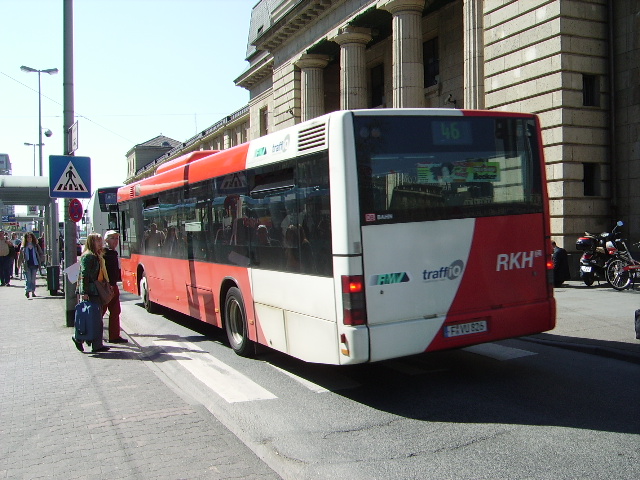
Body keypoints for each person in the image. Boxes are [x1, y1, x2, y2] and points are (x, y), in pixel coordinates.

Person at [72, 233, 110, 353]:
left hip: (96, 290)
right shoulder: (88, 256)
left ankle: (96, 344)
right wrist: (84, 292)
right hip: (91, 291)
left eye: (100, 241)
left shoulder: (96, 255)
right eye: (97, 241)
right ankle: (79, 338)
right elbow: (84, 275)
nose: (100, 243)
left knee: (96, 318)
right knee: (91, 318)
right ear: (91, 242)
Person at [102, 230, 127, 344]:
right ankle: (94, 336)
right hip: (107, 286)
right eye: (113, 238)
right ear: (106, 240)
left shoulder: (113, 253)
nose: (116, 241)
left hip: (113, 285)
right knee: (101, 312)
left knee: (116, 311)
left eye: (117, 238)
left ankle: (114, 336)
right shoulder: (104, 253)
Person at [17, 232, 43, 298]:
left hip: (35, 264)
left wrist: (41, 260)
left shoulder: (36, 246)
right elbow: (20, 256)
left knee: (33, 279)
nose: (29, 239)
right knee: (28, 279)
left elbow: (40, 253)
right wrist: (18, 264)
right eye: (28, 237)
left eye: (30, 237)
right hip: (27, 265)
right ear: (26, 239)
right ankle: (27, 291)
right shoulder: (23, 247)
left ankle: (33, 291)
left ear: (32, 238)